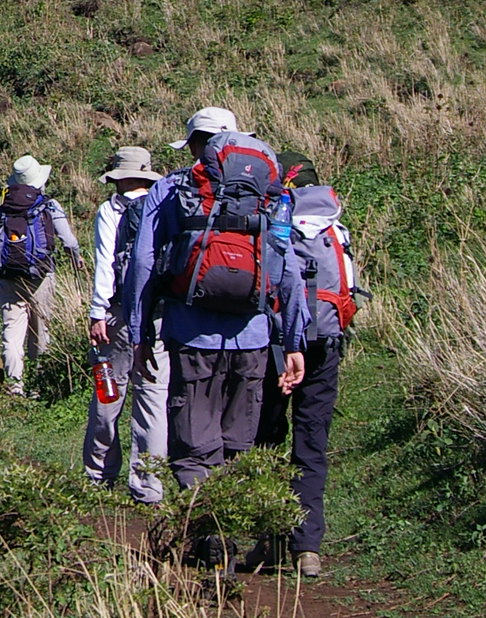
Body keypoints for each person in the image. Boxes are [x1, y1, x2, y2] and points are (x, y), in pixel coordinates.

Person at [121, 107, 309, 569]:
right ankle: (227, 534)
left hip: (191, 333)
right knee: (236, 443)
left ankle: (206, 537)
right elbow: (287, 267)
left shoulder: (172, 189)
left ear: (195, 145)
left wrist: (140, 331)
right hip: (254, 337)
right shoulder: (271, 192)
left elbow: (143, 264)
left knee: (192, 440)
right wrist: (293, 341)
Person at [254, 156, 364, 579]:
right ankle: (308, 547)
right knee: (311, 442)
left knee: (265, 437)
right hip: (325, 342)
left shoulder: (273, 218)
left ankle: (268, 538)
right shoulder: (336, 226)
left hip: (277, 344)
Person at [82, 146, 170, 504]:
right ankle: (149, 486)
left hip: (118, 313)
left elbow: (106, 262)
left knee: (109, 391)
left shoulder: (112, 210)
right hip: (160, 314)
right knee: (152, 398)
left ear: (119, 177)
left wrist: (97, 311)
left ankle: (99, 473)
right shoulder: (167, 205)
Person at [0, 154, 86, 397]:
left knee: (12, 330)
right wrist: (77, 260)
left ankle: (14, 384)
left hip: (7, 277)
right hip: (40, 275)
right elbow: (69, 241)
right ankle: (39, 384)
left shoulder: (1, 207)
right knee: (40, 329)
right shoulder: (49, 205)